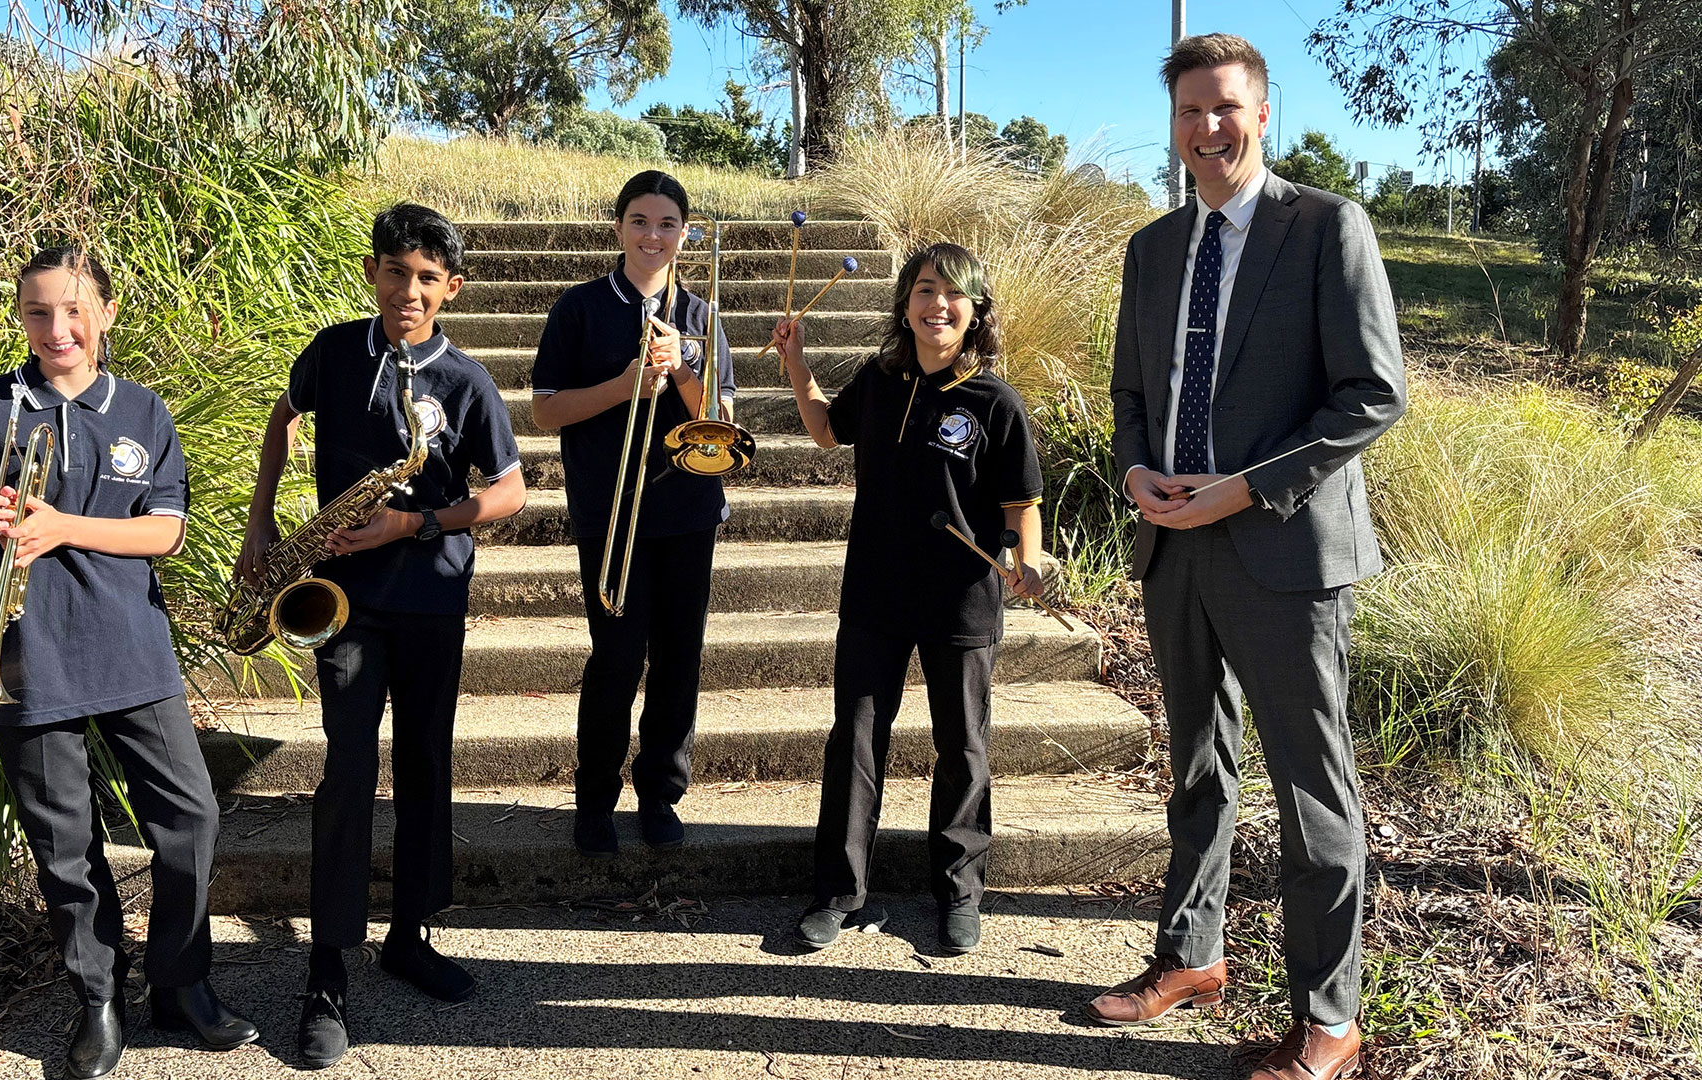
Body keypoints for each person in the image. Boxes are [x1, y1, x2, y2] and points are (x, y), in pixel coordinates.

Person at [1095, 34, 1407, 1080]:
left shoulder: (1325, 228)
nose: (1208, 128)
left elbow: (1372, 395)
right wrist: (1138, 474)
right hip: (1172, 549)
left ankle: (1329, 1021)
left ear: (1261, 113)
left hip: (1283, 551)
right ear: (1174, 124)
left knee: (1313, 794)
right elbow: (1132, 395)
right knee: (1195, 766)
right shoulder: (1151, 248)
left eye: (1226, 108)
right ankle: (1190, 957)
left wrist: (1246, 486)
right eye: (1190, 111)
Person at [0, 247, 256, 1079]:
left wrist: (64, 526)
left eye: (75, 310)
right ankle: (98, 1000)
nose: (58, 329)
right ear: (20, 317)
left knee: (192, 818)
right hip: (29, 655)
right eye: (38, 312)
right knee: (64, 844)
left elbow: (164, 530)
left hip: (130, 646)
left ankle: (182, 984)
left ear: (106, 310)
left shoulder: (142, 410)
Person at [236, 205, 526, 1069]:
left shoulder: (467, 379)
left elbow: (509, 494)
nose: (410, 291)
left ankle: (410, 935)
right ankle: (328, 971)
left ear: (453, 289)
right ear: (373, 274)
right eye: (396, 272)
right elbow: (279, 424)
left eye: (428, 278)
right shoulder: (333, 351)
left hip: (432, 596)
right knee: (350, 772)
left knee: (428, 764)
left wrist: (417, 523)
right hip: (346, 604)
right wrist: (261, 526)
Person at [770, 242, 1045, 955]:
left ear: (975, 310)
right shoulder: (881, 378)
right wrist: (796, 365)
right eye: (925, 290)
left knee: (963, 745)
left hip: (962, 601)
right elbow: (828, 431)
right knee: (855, 742)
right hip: (875, 593)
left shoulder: (994, 400)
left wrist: (1028, 555)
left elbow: (1023, 503)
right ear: (905, 304)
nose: (938, 305)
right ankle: (838, 893)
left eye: (954, 294)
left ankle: (958, 892)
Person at [529, 169, 736, 859]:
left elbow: (722, 422)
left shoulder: (703, 315)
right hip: (608, 512)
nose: (654, 235)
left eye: (668, 224)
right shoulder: (580, 308)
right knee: (615, 659)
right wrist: (624, 385)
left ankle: (659, 794)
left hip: (688, 510)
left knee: (679, 659)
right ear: (618, 227)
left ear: (684, 232)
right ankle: (595, 800)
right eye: (641, 221)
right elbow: (547, 408)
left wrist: (681, 370)